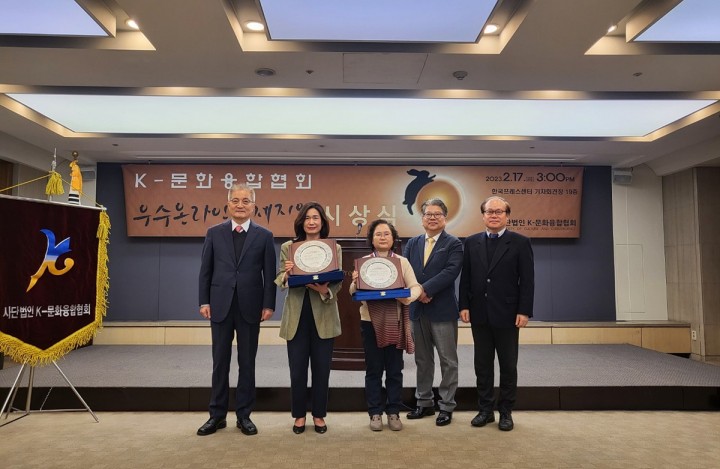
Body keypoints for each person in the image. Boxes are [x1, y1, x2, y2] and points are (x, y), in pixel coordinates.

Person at [196, 183, 277, 436]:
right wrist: (204, 301)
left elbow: (269, 273)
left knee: (247, 363)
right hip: (220, 305)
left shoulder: (264, 236)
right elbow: (206, 270)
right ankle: (216, 416)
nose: (240, 205)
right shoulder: (214, 233)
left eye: (245, 201)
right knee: (220, 362)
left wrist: (269, 304)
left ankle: (244, 416)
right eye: (235, 201)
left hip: (251, 306)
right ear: (228, 204)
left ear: (253, 206)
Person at [459, 196, 534, 432]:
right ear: (483, 216)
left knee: (508, 365)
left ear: (507, 216)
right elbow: (466, 277)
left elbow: (528, 280)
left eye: (499, 211)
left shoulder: (520, 242)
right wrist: (464, 305)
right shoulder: (471, 242)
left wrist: (524, 310)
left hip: (508, 314)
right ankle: (485, 410)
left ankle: (506, 412)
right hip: (479, 313)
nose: (494, 215)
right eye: (489, 212)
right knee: (482, 365)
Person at [349, 219, 423, 431]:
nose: (382, 237)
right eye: (378, 234)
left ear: (393, 238)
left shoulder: (402, 262)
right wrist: (355, 281)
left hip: (395, 322)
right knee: (373, 369)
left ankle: (393, 412)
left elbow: (416, 287)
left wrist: (406, 298)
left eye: (386, 234)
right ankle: (374, 413)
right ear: (371, 239)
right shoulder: (363, 262)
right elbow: (353, 293)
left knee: (394, 370)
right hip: (369, 322)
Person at [276, 202, 342, 435]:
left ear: (322, 222)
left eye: (316, 218)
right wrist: (287, 273)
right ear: (301, 222)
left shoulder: (333, 248)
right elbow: (280, 279)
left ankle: (319, 415)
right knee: (297, 370)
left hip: (324, 313)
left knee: (322, 369)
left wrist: (325, 290)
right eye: (307, 218)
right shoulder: (289, 247)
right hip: (297, 315)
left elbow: (338, 281)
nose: (311, 222)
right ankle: (299, 415)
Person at [403, 198, 463, 426]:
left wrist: (424, 290)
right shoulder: (413, 243)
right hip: (417, 310)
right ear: (422, 219)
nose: (432, 218)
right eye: (428, 214)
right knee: (422, 359)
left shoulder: (454, 243)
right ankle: (424, 402)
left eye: (437, 214)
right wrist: (419, 293)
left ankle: (446, 406)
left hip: (442, 310)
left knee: (448, 360)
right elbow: (406, 271)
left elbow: (451, 271)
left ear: (445, 218)